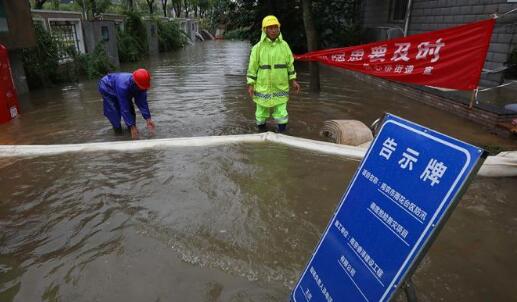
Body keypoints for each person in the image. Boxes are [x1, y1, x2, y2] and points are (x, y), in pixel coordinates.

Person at [246, 15, 300, 133]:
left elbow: (290, 64)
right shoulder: (258, 48)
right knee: (261, 112)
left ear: (279, 28)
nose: (273, 30)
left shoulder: (284, 46)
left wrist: (293, 80)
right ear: (264, 30)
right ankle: (261, 132)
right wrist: (251, 84)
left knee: (281, 112)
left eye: (275, 27)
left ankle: (282, 133)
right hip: (262, 86)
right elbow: (252, 67)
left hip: (280, 86)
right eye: (270, 28)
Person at [98, 68, 155, 139]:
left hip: (122, 87)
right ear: (135, 82)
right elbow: (124, 108)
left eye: (145, 88)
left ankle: (130, 130)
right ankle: (118, 133)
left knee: (131, 110)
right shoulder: (122, 86)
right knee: (114, 113)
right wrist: (132, 126)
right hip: (107, 87)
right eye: (143, 87)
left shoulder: (142, 85)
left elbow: (142, 102)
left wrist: (148, 119)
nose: (144, 89)